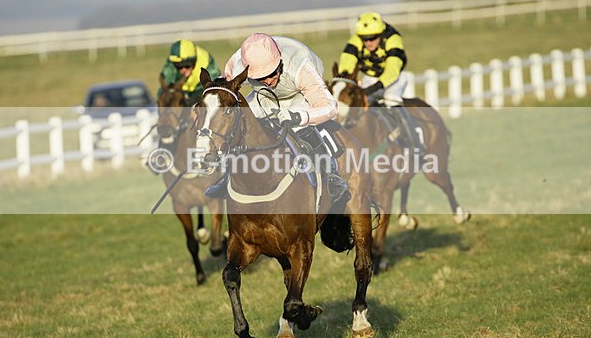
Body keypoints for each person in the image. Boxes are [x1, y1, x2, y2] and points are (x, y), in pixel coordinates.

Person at [205, 33, 347, 200]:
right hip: (264, 96)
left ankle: (331, 175)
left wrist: (297, 116)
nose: (267, 80)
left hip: (299, 94)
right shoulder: (239, 62)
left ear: (279, 62)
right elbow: (224, 87)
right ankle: (227, 177)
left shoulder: (300, 66)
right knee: (240, 122)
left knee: (300, 126)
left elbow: (329, 107)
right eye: (260, 77)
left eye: (271, 73)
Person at [338, 12, 419, 148]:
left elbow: (392, 69)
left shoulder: (393, 39)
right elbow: (347, 61)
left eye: (372, 38)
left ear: (380, 35)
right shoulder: (356, 40)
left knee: (390, 99)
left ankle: (413, 142)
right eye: (365, 39)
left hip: (394, 78)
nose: (368, 42)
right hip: (370, 77)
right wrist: (346, 78)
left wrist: (374, 88)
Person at [157, 39, 221, 104]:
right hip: (181, 93)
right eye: (179, 66)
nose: (183, 70)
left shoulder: (207, 64)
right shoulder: (172, 62)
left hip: (200, 91)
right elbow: (165, 87)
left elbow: (214, 90)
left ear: (194, 61)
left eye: (187, 66)